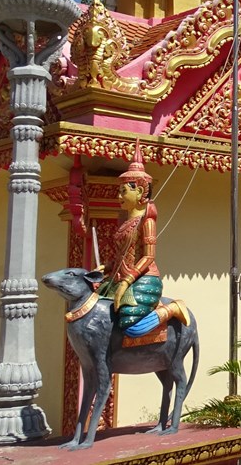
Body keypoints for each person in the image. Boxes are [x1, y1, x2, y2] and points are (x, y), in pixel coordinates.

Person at [98, 143, 184, 336]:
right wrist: (107, 267)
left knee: (131, 327)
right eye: (119, 191)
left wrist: (127, 281)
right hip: (120, 277)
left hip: (144, 278)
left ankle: (171, 309)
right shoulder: (125, 223)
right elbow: (123, 255)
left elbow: (148, 257)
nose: (119, 195)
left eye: (124, 191)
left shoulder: (147, 221)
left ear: (139, 192)